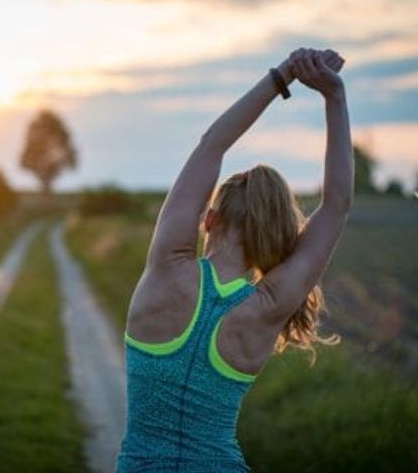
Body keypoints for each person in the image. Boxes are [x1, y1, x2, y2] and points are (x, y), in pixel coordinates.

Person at [115, 47, 353, 472]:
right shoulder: (268, 305)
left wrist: (281, 77)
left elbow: (213, 144)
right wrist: (334, 97)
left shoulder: (168, 267)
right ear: (275, 237)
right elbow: (336, 205)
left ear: (209, 219)